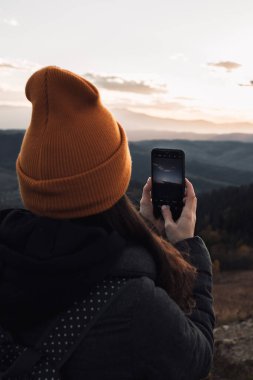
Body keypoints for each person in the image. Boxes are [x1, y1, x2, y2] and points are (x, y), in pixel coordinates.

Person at [0, 66, 215, 379]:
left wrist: (146, 233)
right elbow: (197, 359)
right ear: (117, 178)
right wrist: (185, 247)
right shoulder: (135, 303)